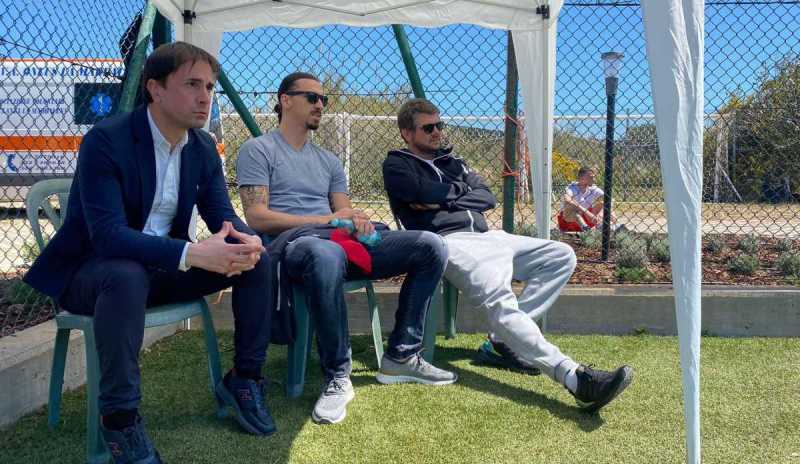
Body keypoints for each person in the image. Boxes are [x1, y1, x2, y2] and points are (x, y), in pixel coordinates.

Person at [24, 42, 277, 463]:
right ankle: (119, 419)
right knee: (126, 274)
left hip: (160, 270)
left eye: (209, 87)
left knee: (257, 261)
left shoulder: (201, 147)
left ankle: (244, 379)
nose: (204, 97)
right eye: (192, 84)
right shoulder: (107, 140)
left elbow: (222, 215)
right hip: (93, 275)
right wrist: (192, 253)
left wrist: (248, 240)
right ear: (155, 89)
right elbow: (108, 237)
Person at [383, 98, 633, 413]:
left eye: (439, 125)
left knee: (561, 255)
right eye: (428, 128)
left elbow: (486, 197)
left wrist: (445, 198)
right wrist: (459, 192)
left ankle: (501, 341)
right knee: (501, 302)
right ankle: (574, 377)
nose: (437, 132)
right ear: (407, 133)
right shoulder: (397, 164)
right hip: (449, 242)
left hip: (489, 236)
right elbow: (420, 193)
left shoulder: (453, 161)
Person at [236, 72, 456, 426]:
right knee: (325, 254)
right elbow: (257, 216)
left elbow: (343, 211)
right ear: (285, 100)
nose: (320, 105)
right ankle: (338, 374)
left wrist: (357, 220)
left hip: (341, 243)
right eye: (312, 97)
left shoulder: (329, 161)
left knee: (431, 245)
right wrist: (327, 219)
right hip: (296, 246)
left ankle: (401, 355)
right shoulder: (258, 150)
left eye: (323, 99)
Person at [558, 166, 606, 232]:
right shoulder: (571, 187)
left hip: (587, 218)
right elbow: (567, 199)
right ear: (582, 178)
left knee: (603, 203)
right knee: (569, 205)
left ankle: (603, 226)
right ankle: (586, 230)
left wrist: (600, 213)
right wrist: (585, 211)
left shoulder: (593, 188)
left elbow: (608, 198)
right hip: (569, 221)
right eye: (591, 177)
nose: (594, 179)